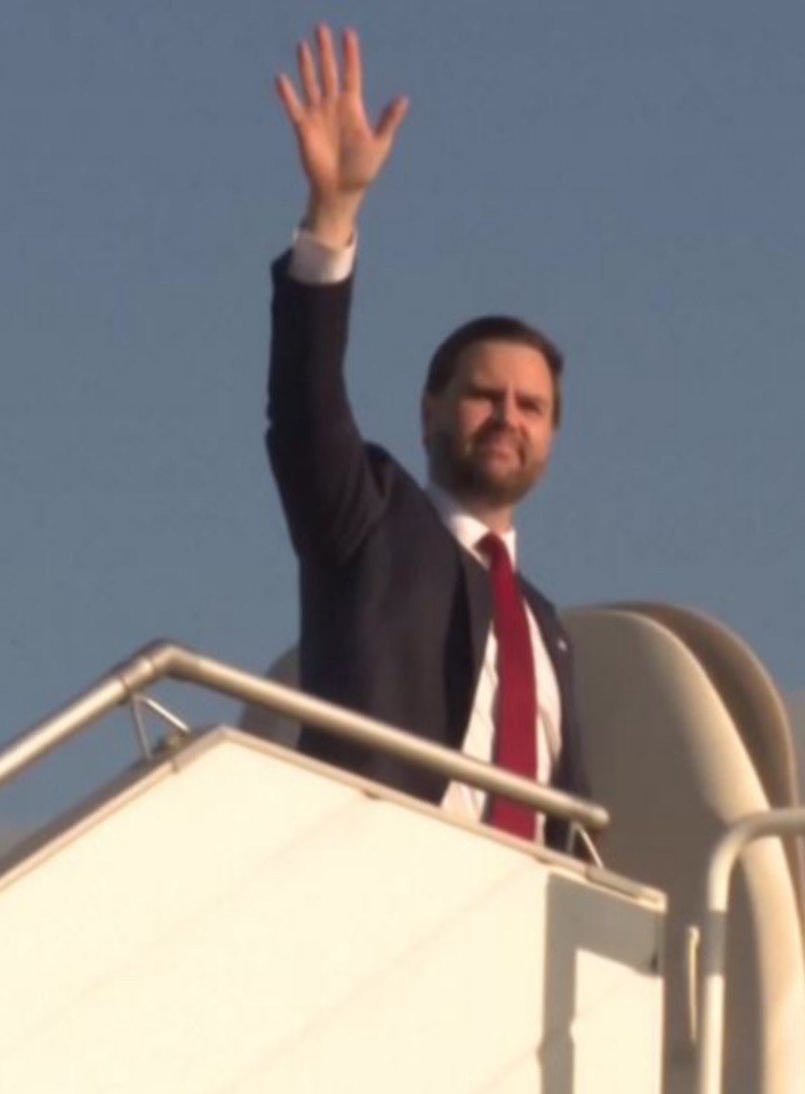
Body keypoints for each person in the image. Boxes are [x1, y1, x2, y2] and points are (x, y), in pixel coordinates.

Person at [266, 25, 591, 853]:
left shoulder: (548, 629)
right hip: (388, 885)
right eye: (484, 397)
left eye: (531, 406)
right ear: (429, 413)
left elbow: (574, 818)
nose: (508, 418)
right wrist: (331, 217)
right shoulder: (368, 521)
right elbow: (307, 414)